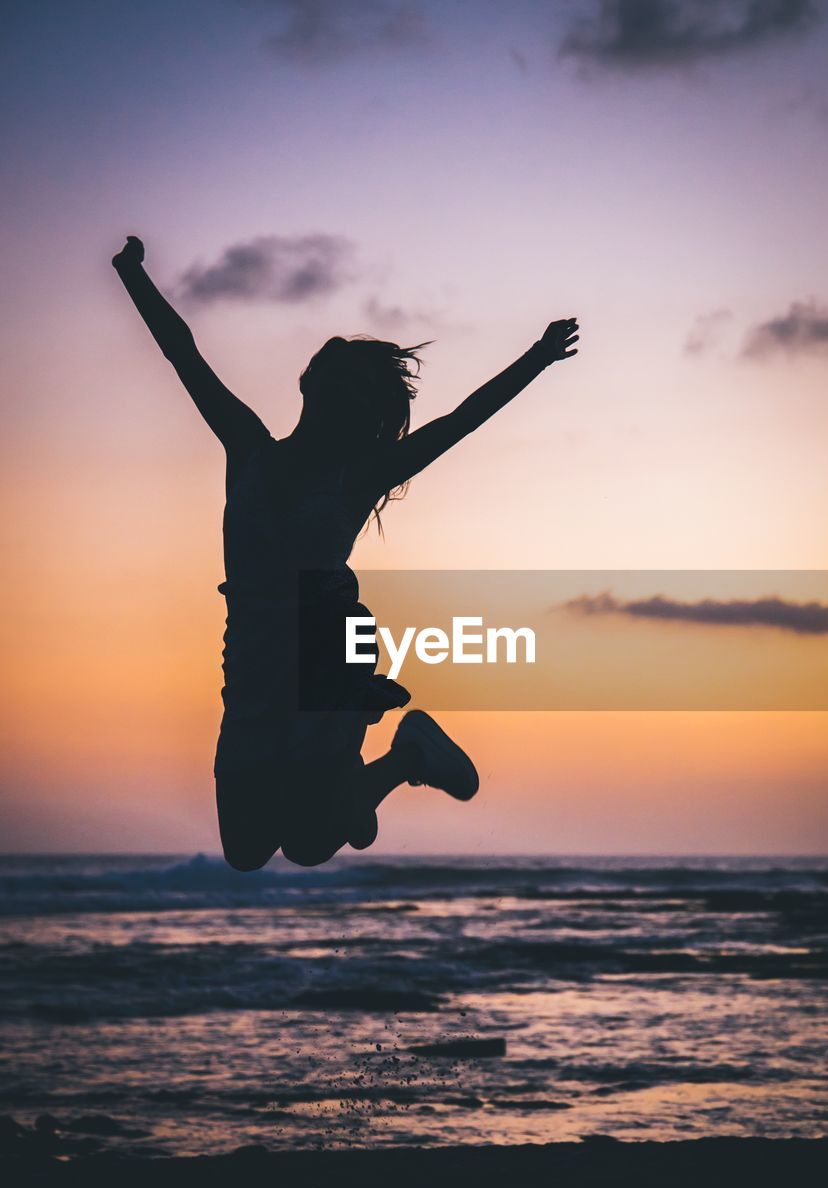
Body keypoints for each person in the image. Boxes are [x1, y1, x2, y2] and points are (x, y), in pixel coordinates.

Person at [112, 235, 580, 869]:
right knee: (247, 850)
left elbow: (462, 421)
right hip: (251, 645)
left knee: (306, 843)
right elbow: (183, 355)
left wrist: (538, 358)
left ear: (361, 410)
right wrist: (132, 277)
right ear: (307, 384)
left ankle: (394, 762)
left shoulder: (358, 477)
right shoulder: (249, 446)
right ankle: (374, 779)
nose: (335, 386)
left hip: (331, 637)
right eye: (329, 373)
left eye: (352, 388)